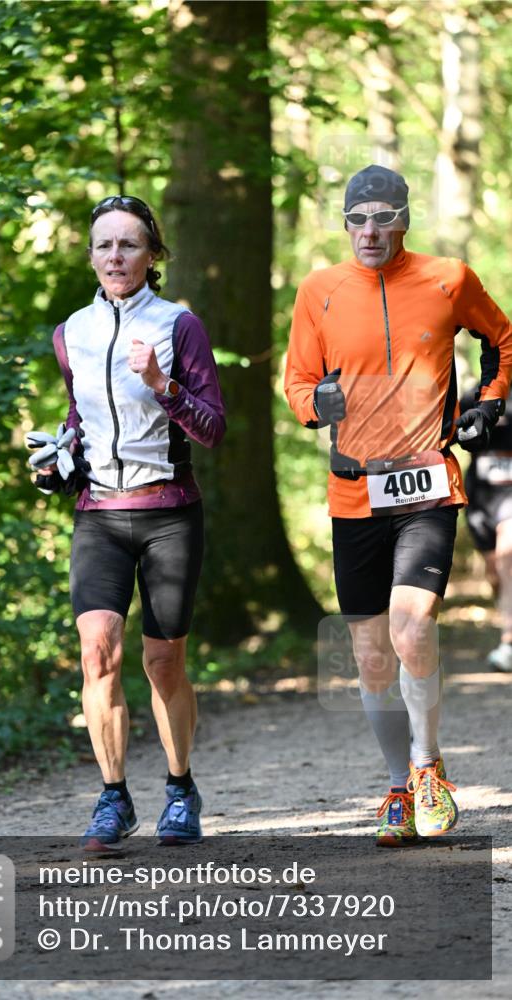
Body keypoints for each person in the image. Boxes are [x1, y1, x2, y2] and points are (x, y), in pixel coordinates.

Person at [285, 164, 512, 847]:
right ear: (344, 223)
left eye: (383, 216)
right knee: (371, 656)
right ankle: (393, 785)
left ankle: (425, 768)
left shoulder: (447, 278)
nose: (369, 231)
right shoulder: (318, 291)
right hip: (353, 489)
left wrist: (492, 399)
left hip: (427, 484)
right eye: (357, 218)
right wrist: (311, 404)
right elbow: (294, 380)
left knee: (411, 630)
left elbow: (502, 338)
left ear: (403, 220)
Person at [37, 195, 225, 851]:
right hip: (98, 515)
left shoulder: (179, 325)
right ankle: (113, 797)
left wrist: (163, 385)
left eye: (128, 244)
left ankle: (179, 788)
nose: (115, 255)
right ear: (90, 256)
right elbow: (77, 421)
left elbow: (213, 428)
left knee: (162, 661)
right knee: (98, 655)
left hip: (168, 513)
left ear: (153, 256)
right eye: (104, 245)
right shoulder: (71, 333)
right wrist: (55, 459)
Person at [462, 386, 512, 672]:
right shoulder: (472, 396)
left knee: (508, 558)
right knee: (496, 574)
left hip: (511, 499)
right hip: (481, 500)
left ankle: (508, 643)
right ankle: (507, 622)